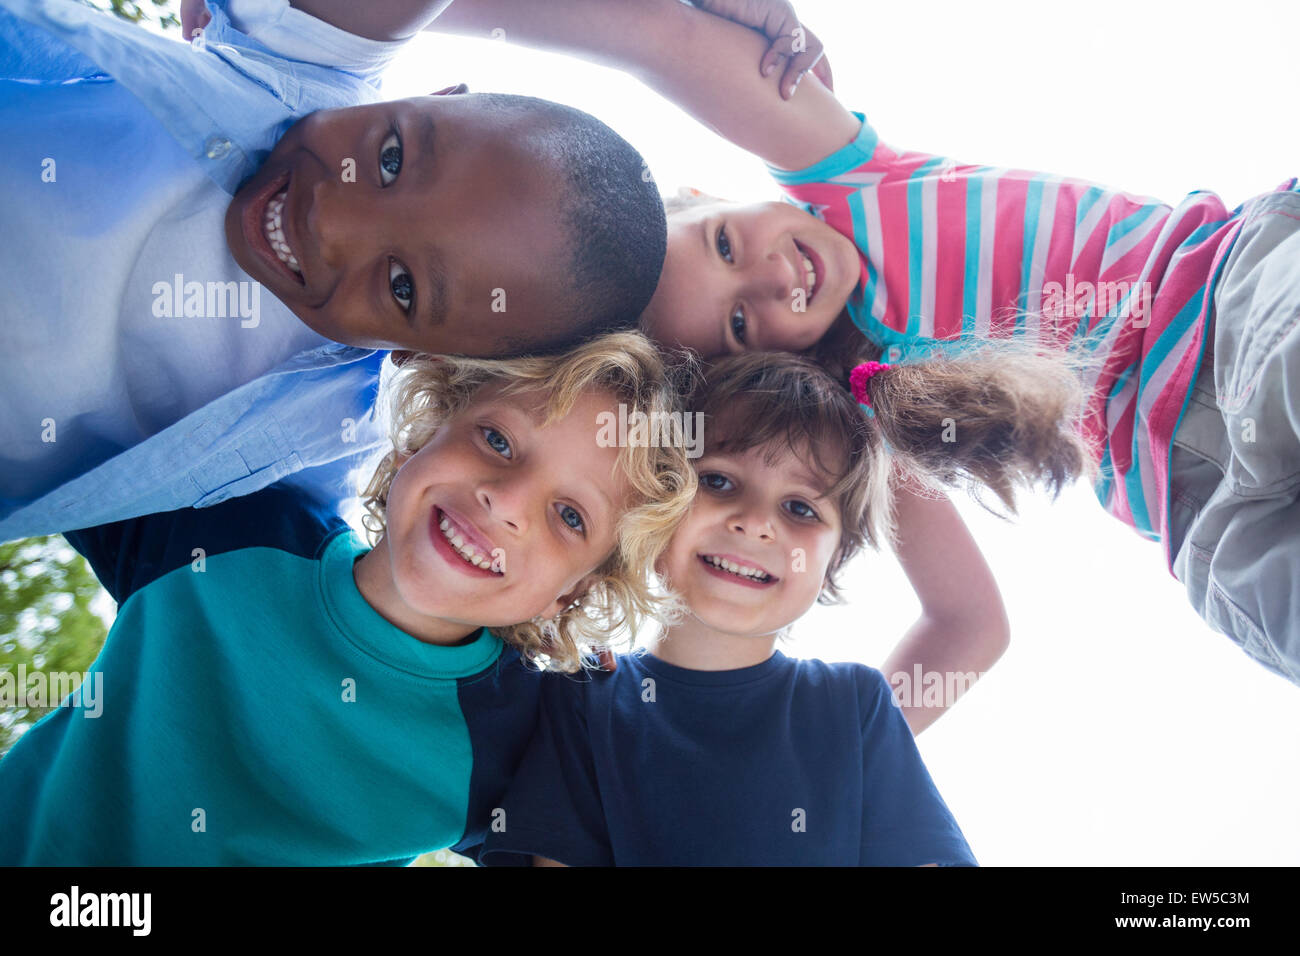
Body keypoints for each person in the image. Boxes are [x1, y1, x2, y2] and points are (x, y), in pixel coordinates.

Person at [421, 0, 1300, 684]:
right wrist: (828, 759)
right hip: (1196, 503)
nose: (771, 282)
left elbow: (654, 36)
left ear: (707, 193)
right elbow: (968, 623)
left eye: (724, 244)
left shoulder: (846, 180)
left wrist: (393, 13)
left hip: (1238, 306)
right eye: (740, 325)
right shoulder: (856, 412)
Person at [0, 332, 696, 865]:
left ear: (572, 593)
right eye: (496, 440)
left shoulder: (522, 740)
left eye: (569, 516)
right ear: (426, 431)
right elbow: (44, 414)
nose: (506, 503)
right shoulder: (229, 526)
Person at [0, 0, 665, 541]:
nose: (330, 220)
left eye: (401, 286)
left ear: (421, 353)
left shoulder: (328, 435)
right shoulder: (300, 71)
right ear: (440, 94)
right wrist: (670, 37)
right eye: (391, 159)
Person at [481, 353, 998, 866]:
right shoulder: (582, 699)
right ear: (657, 499)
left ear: (835, 558)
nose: (754, 523)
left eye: (800, 508)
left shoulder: (857, 707)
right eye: (719, 481)